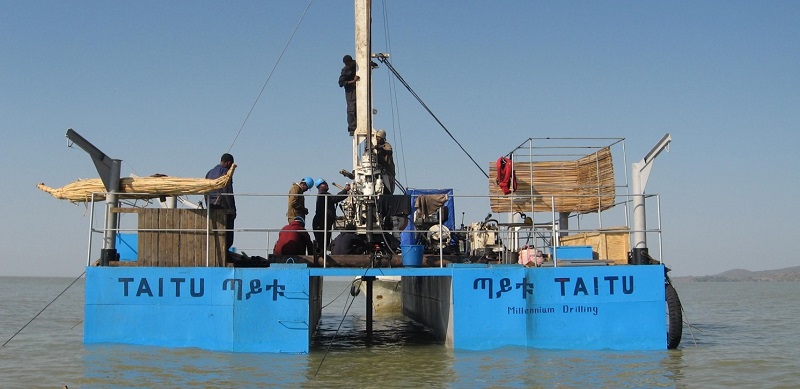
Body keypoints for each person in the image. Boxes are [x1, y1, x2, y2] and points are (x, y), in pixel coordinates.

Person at [205, 153, 236, 252]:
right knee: (227, 237)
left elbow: (205, 191)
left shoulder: (209, 173)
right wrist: (232, 210)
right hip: (223, 208)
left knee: (214, 234)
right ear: (229, 163)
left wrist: (208, 206)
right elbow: (228, 192)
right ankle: (224, 254)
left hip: (211, 207)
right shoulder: (226, 173)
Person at [312, 178, 350, 253]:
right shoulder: (323, 195)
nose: (326, 184)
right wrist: (345, 190)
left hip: (324, 223)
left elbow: (334, 198)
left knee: (325, 242)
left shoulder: (325, 195)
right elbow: (336, 198)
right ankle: (319, 257)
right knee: (321, 242)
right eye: (324, 183)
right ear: (320, 186)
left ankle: (321, 257)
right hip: (321, 223)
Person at [338, 54, 359, 135]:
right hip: (350, 91)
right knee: (351, 109)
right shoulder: (345, 70)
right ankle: (352, 128)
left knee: (360, 107)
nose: (347, 65)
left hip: (360, 89)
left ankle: (359, 123)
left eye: (348, 64)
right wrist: (353, 82)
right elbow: (341, 83)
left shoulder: (358, 64)